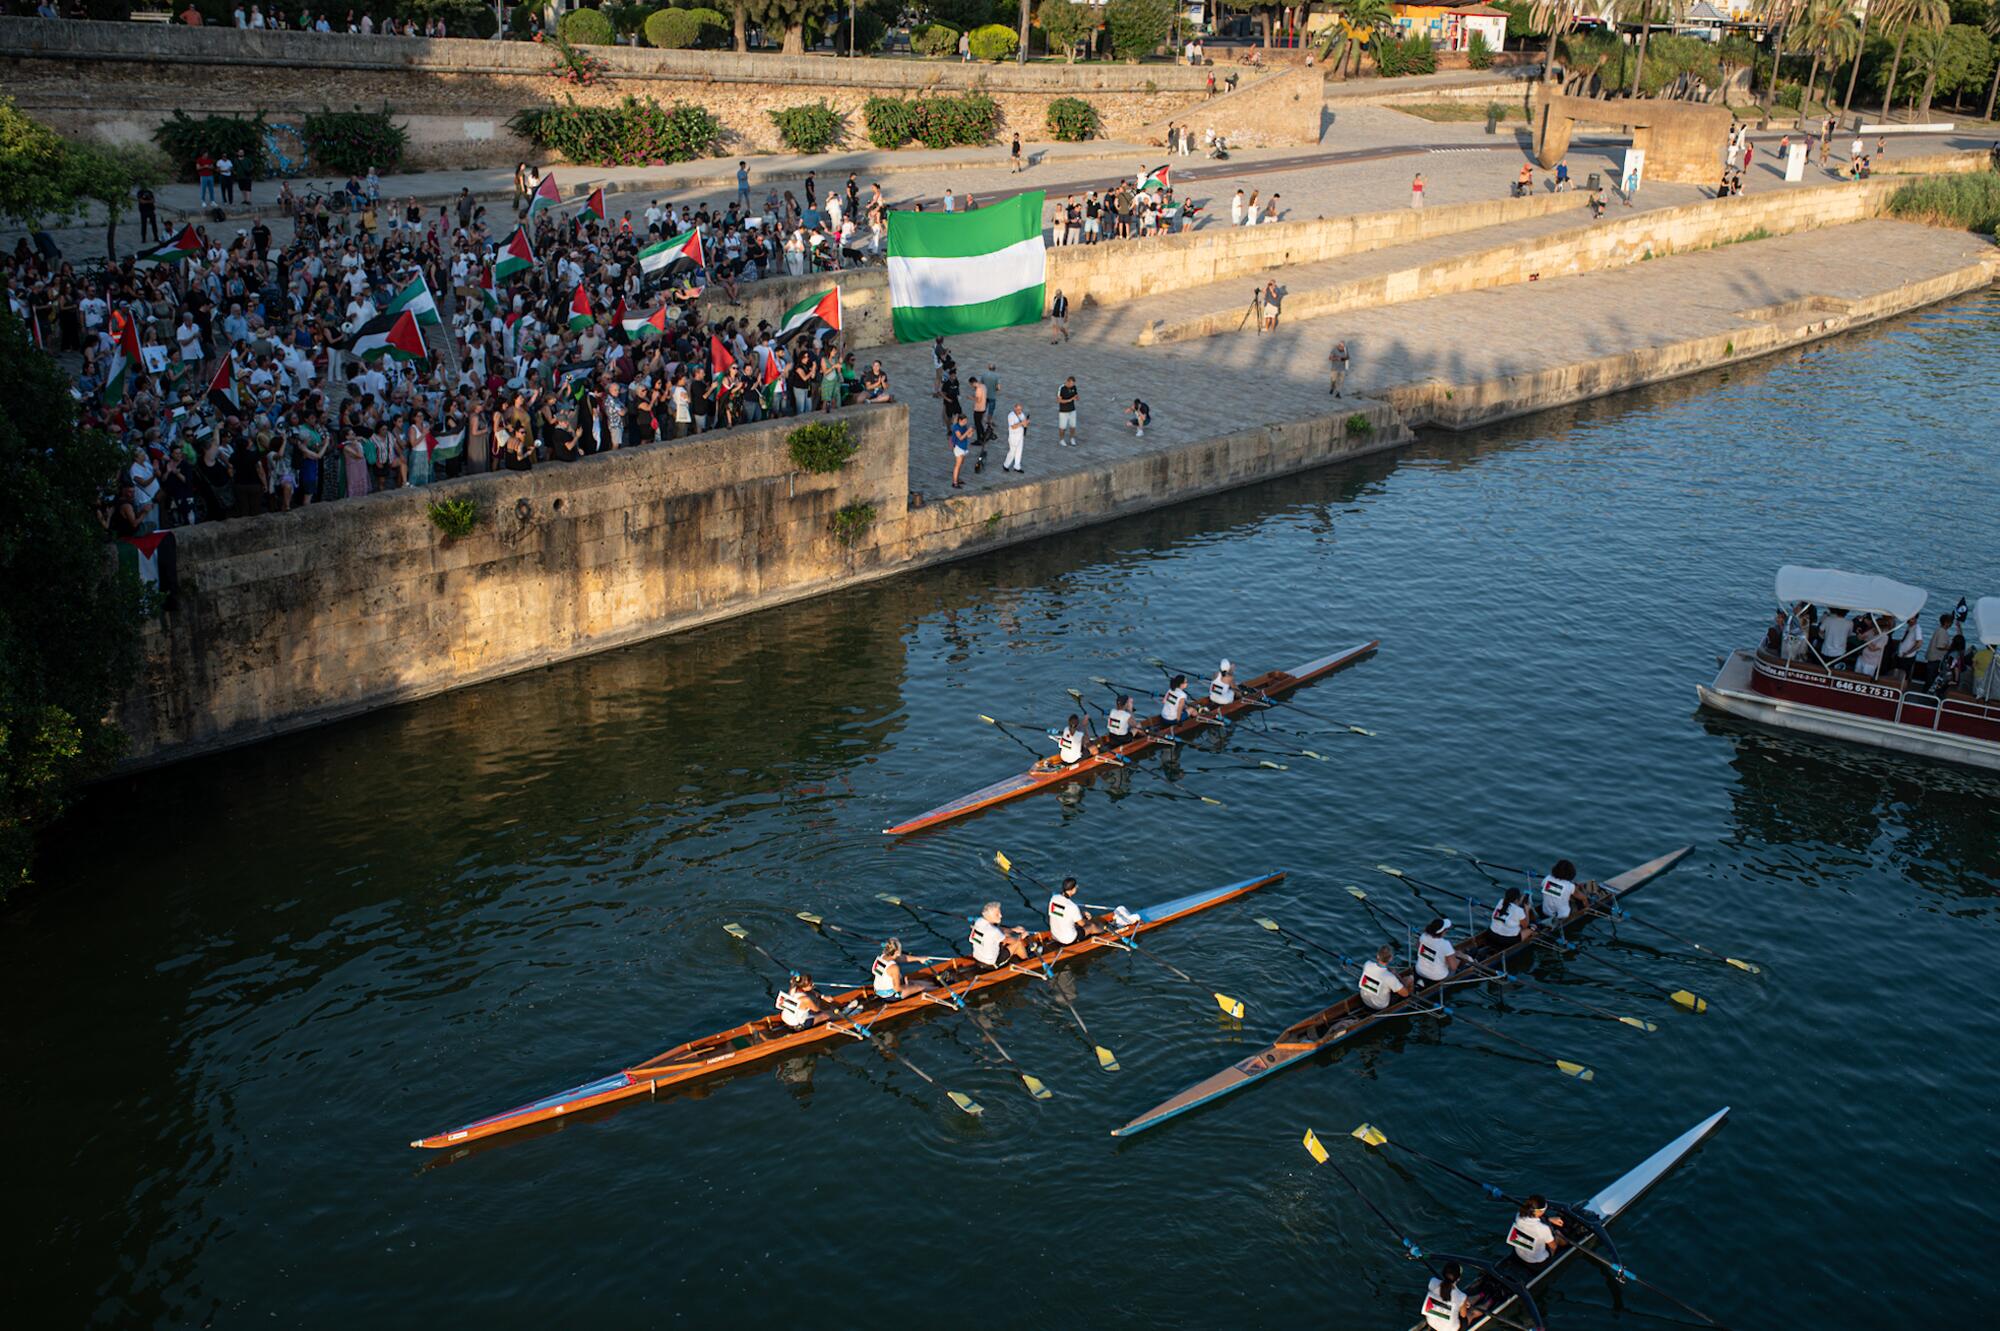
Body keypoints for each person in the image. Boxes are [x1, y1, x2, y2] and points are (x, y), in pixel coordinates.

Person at [1504, 1195, 1567, 1272]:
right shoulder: (1543, 1228)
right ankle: (1567, 1246)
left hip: (1517, 1255)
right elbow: (1553, 1246)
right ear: (1540, 1211)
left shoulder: (1518, 1215)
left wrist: (1549, 1219)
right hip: (1537, 1264)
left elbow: (1532, 1218)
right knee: (1557, 1234)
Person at [969, 902, 1033, 968]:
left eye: (1000, 913)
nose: (1001, 916)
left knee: (1006, 935)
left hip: (977, 959)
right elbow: (1013, 941)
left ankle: (1017, 954)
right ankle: (1028, 963)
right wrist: (1023, 936)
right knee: (1018, 944)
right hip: (991, 964)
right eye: (997, 914)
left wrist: (1013, 929)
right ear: (989, 916)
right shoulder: (994, 931)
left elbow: (999, 929)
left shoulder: (979, 921)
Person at [1048, 877, 1102, 945]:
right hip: (1068, 939)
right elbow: (1082, 924)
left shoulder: (1053, 898)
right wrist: (1089, 920)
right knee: (1092, 926)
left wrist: (1080, 914)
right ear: (1072, 890)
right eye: (1076, 887)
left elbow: (1063, 913)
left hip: (1054, 935)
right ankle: (1105, 932)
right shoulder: (1072, 906)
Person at [1538, 859, 1594, 923]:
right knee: (1580, 899)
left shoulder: (1547, 879)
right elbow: (1583, 898)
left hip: (1546, 911)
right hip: (1562, 916)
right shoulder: (1570, 886)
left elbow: (1558, 889)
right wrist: (1587, 907)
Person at [1358, 944, 1410, 1012]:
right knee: (1409, 980)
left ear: (1377, 955)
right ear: (1390, 959)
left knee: (1388, 985)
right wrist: (1396, 974)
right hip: (1380, 1006)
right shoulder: (1390, 977)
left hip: (1365, 1000)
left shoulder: (1367, 964)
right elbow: (1405, 994)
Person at [1420, 1261, 1469, 1331]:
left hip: (1431, 1323)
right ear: (1458, 1279)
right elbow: (1463, 1315)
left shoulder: (1432, 1281)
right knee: (1469, 1315)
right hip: (1450, 1329)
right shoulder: (1462, 1296)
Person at [1415, 918, 1461, 987]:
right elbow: (1453, 967)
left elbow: (1417, 946)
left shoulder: (1423, 936)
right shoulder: (1445, 944)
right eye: (1446, 929)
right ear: (1442, 932)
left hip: (1419, 971)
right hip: (1437, 977)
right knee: (1458, 960)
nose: (1446, 931)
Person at [949, 411, 974, 488]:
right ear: (960, 420)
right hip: (958, 448)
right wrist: (967, 431)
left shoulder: (964, 426)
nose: (966, 422)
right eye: (964, 421)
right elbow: (960, 438)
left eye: (966, 421)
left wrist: (971, 432)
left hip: (963, 447)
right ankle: (955, 483)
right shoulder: (956, 427)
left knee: (960, 464)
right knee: (957, 465)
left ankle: (957, 478)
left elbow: (968, 436)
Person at [1004, 401, 1028, 473]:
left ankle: (1017, 466)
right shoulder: (1011, 415)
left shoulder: (1022, 414)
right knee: (1012, 452)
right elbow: (1013, 427)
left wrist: (1026, 423)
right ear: (1014, 408)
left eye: (1020, 409)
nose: (1019, 411)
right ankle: (1006, 465)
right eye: (1018, 409)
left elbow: (1025, 425)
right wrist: (1022, 423)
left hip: (1020, 436)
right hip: (1013, 437)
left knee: (1019, 452)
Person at [1056, 376, 1079, 447]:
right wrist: (1070, 400)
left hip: (1072, 410)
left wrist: (1077, 398)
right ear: (1068, 382)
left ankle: (1072, 438)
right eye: (1071, 384)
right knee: (1062, 427)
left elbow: (1076, 396)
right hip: (1063, 411)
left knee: (1073, 426)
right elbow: (1059, 400)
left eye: (1073, 384)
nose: (1072, 385)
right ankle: (1061, 440)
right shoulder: (1062, 388)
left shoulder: (1074, 387)